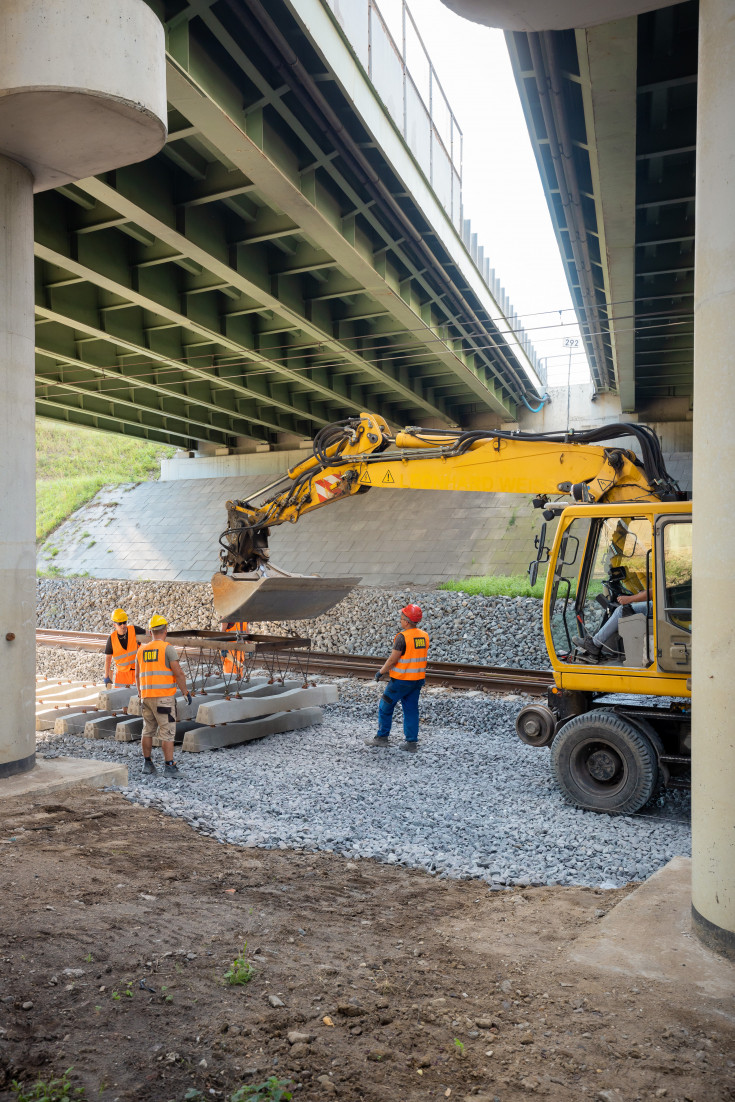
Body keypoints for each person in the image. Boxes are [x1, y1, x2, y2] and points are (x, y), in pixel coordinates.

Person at [365, 604, 429, 753]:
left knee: (385, 706)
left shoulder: (402, 637)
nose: (400, 621)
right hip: (417, 680)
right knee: (411, 710)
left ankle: (382, 738)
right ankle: (411, 743)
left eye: (401, 618)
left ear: (407, 621)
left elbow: (393, 660)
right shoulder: (424, 636)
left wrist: (380, 672)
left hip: (400, 681)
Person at [135, 614, 191, 778]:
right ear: (165, 630)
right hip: (164, 699)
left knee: (147, 730)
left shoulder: (141, 650)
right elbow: (179, 673)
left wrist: (140, 694)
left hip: (146, 697)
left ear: (150, 632)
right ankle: (169, 766)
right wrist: (185, 692)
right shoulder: (167, 648)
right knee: (167, 732)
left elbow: (137, 676)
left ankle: (147, 764)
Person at [574, 589, 652, 661]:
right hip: (660, 604)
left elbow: (653, 592)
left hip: (657, 606)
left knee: (620, 610)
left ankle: (595, 644)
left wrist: (629, 599)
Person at [104, 609, 146, 688]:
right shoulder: (111, 639)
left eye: (124, 622)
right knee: (120, 699)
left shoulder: (134, 630)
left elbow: (150, 635)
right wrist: (106, 676)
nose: (123, 625)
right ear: (114, 625)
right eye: (120, 624)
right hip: (121, 677)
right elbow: (108, 658)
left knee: (139, 698)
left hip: (137, 673)